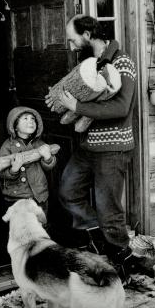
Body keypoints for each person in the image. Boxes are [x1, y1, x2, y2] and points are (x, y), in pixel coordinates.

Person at [45, 15, 137, 275]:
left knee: (110, 211)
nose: (72, 46)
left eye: (73, 40)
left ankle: (122, 263)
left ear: (87, 35)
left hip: (112, 149)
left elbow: (122, 107)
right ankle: (101, 243)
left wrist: (78, 106)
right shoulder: (89, 64)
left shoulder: (122, 62)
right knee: (68, 191)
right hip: (88, 147)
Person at [0, 106, 56, 214]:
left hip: (39, 195)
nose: (30, 121)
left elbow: (49, 167)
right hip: (16, 197)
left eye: (33, 119)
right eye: (25, 119)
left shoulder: (40, 144)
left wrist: (48, 158)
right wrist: (14, 169)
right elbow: (2, 172)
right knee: (20, 226)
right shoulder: (7, 146)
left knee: (40, 225)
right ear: (15, 126)